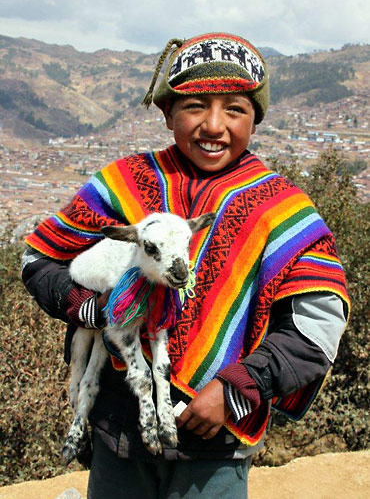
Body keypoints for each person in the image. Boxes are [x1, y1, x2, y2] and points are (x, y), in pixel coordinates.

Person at [21, 33, 350, 499]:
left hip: (215, 443)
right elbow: (39, 259)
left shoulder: (280, 210)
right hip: (119, 432)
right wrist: (87, 306)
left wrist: (239, 386)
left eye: (234, 109)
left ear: (255, 118)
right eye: (195, 106)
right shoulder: (123, 184)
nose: (214, 125)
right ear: (168, 112)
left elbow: (316, 325)